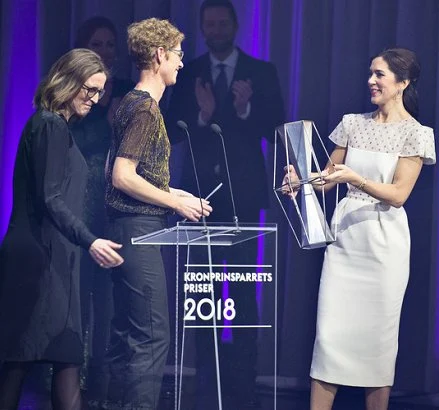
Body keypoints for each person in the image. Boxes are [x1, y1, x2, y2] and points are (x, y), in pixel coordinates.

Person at [286, 48, 435, 410]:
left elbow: (399, 194)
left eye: (380, 74)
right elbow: (327, 179)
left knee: (377, 345)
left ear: (403, 82)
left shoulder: (417, 133)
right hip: (345, 243)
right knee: (329, 339)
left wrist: (356, 178)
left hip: (384, 244)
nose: (371, 80)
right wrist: (302, 180)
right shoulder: (352, 123)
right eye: (370, 73)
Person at [167, 1, 284, 406]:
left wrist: (242, 109)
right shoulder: (189, 71)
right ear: (202, 28)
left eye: (222, 22)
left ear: (234, 25)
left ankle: (244, 380)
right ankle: (205, 375)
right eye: (208, 24)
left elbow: (276, 127)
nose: (215, 29)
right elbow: (173, 131)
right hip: (197, 197)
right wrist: (203, 115)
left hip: (243, 197)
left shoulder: (261, 71)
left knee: (244, 289)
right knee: (202, 289)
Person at [0, 48, 124, 410]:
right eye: (89, 89)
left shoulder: (58, 129)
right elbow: (51, 198)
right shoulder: (48, 125)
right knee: (18, 363)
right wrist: (91, 241)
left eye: (100, 92)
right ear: (67, 81)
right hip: (36, 263)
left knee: (65, 359)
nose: (94, 99)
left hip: (57, 260)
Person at [103, 18, 212, 409]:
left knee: (128, 334)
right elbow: (121, 175)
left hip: (130, 226)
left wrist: (178, 194)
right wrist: (175, 203)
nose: (182, 63)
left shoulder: (133, 103)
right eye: (179, 54)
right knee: (151, 335)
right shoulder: (145, 109)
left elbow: (137, 175)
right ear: (160, 55)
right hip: (139, 231)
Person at [71, 16, 135, 404]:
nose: (106, 51)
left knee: (111, 304)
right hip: (80, 205)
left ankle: (104, 385)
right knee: (78, 300)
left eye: (111, 44)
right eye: (99, 43)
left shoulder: (127, 91)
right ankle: (68, 383)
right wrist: (100, 114)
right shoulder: (77, 98)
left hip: (114, 209)